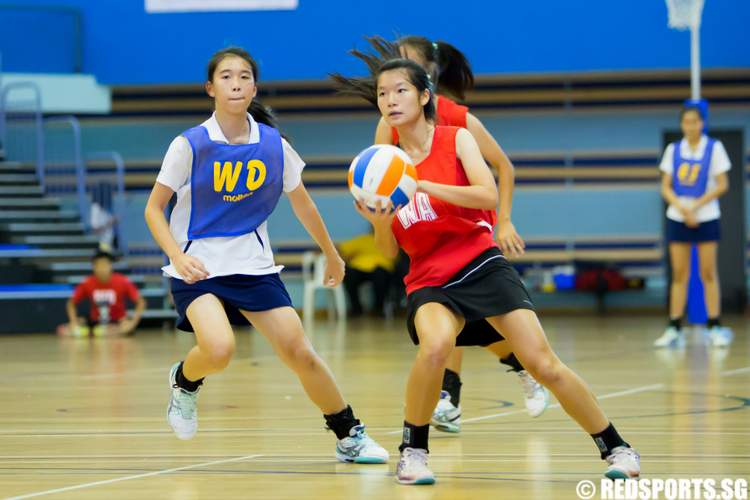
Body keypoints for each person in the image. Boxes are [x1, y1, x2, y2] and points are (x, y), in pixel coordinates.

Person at [333, 56, 640, 485]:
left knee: (542, 363)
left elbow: (487, 195)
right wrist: (380, 224)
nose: (390, 99)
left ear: (424, 96)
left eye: (400, 90)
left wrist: (421, 183)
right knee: (436, 346)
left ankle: (617, 446)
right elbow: (387, 251)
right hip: (429, 278)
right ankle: (414, 452)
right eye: (383, 93)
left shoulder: (455, 139)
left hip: (480, 263)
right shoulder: (379, 167)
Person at [143, 47, 388, 464]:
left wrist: (332, 254)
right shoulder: (189, 144)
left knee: (301, 353)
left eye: (243, 76)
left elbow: (304, 205)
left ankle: (349, 434)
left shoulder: (274, 145)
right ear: (210, 88)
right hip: (197, 265)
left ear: (254, 87)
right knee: (218, 350)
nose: (235, 83)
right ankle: (184, 382)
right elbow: (153, 209)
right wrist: (176, 257)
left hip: (253, 267)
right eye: (225, 76)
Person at [358, 35, 548, 431]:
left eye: (405, 69)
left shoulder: (460, 121)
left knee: (475, 323)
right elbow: (379, 173)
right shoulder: (387, 125)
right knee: (447, 327)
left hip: (465, 238)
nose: (393, 89)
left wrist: (505, 220)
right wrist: (380, 217)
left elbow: (503, 169)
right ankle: (453, 395)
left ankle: (478, 385)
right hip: (422, 235)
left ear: (427, 76)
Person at [654, 106, 732, 348]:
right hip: (679, 217)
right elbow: (665, 186)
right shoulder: (674, 149)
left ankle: (714, 325)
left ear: (702, 124)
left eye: (695, 122)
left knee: (708, 272)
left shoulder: (714, 147)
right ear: (682, 125)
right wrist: (683, 208)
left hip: (706, 216)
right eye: (686, 122)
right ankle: (674, 326)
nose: (691, 126)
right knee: (679, 274)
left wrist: (696, 206)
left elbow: (722, 184)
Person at [59, 249, 144, 337]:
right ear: (94, 267)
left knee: (126, 327)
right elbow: (71, 303)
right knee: (66, 329)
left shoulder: (122, 281)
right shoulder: (87, 282)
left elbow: (140, 301)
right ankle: (99, 332)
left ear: (110, 265)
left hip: (117, 321)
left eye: (104, 265)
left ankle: (97, 333)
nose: (101, 268)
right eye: (98, 265)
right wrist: (73, 322)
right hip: (95, 321)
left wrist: (133, 322)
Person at [339, 229, 396, 317]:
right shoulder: (363, 239)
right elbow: (341, 250)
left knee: (380, 276)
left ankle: (378, 309)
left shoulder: (390, 242)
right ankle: (356, 308)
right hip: (359, 267)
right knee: (349, 274)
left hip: (381, 268)